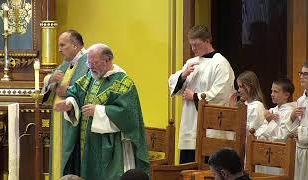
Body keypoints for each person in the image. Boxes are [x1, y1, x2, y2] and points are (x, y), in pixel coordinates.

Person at [54, 43, 149, 179]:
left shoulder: (123, 82)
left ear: (108, 60)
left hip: (111, 145)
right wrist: (69, 104)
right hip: (88, 143)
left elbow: (128, 114)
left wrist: (98, 111)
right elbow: (75, 93)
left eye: (95, 62)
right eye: (88, 62)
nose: (91, 66)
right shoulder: (89, 78)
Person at [168, 25, 235, 163]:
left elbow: (221, 94)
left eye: (197, 45)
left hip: (210, 129)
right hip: (189, 123)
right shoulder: (192, 62)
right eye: (191, 45)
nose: (193, 49)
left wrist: (194, 96)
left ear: (208, 41)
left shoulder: (220, 63)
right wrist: (183, 76)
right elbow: (173, 82)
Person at [41, 29, 89, 179]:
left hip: (75, 123)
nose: (60, 50)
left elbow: (88, 91)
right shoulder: (68, 63)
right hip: (61, 122)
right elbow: (50, 81)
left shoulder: (87, 63)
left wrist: (67, 91)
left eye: (63, 45)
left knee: (71, 158)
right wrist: (51, 79)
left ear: (75, 46)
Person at [288, 62, 308, 180]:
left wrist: (301, 132)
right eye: (301, 73)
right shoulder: (301, 100)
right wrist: (292, 117)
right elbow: (297, 125)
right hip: (299, 150)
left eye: (306, 74)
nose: (301, 76)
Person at [255, 78, 296, 142]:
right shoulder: (272, 110)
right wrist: (268, 122)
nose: (272, 94)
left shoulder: (289, 112)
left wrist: (271, 122)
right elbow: (259, 134)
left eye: (275, 92)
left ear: (286, 95)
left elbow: (283, 137)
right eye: (272, 91)